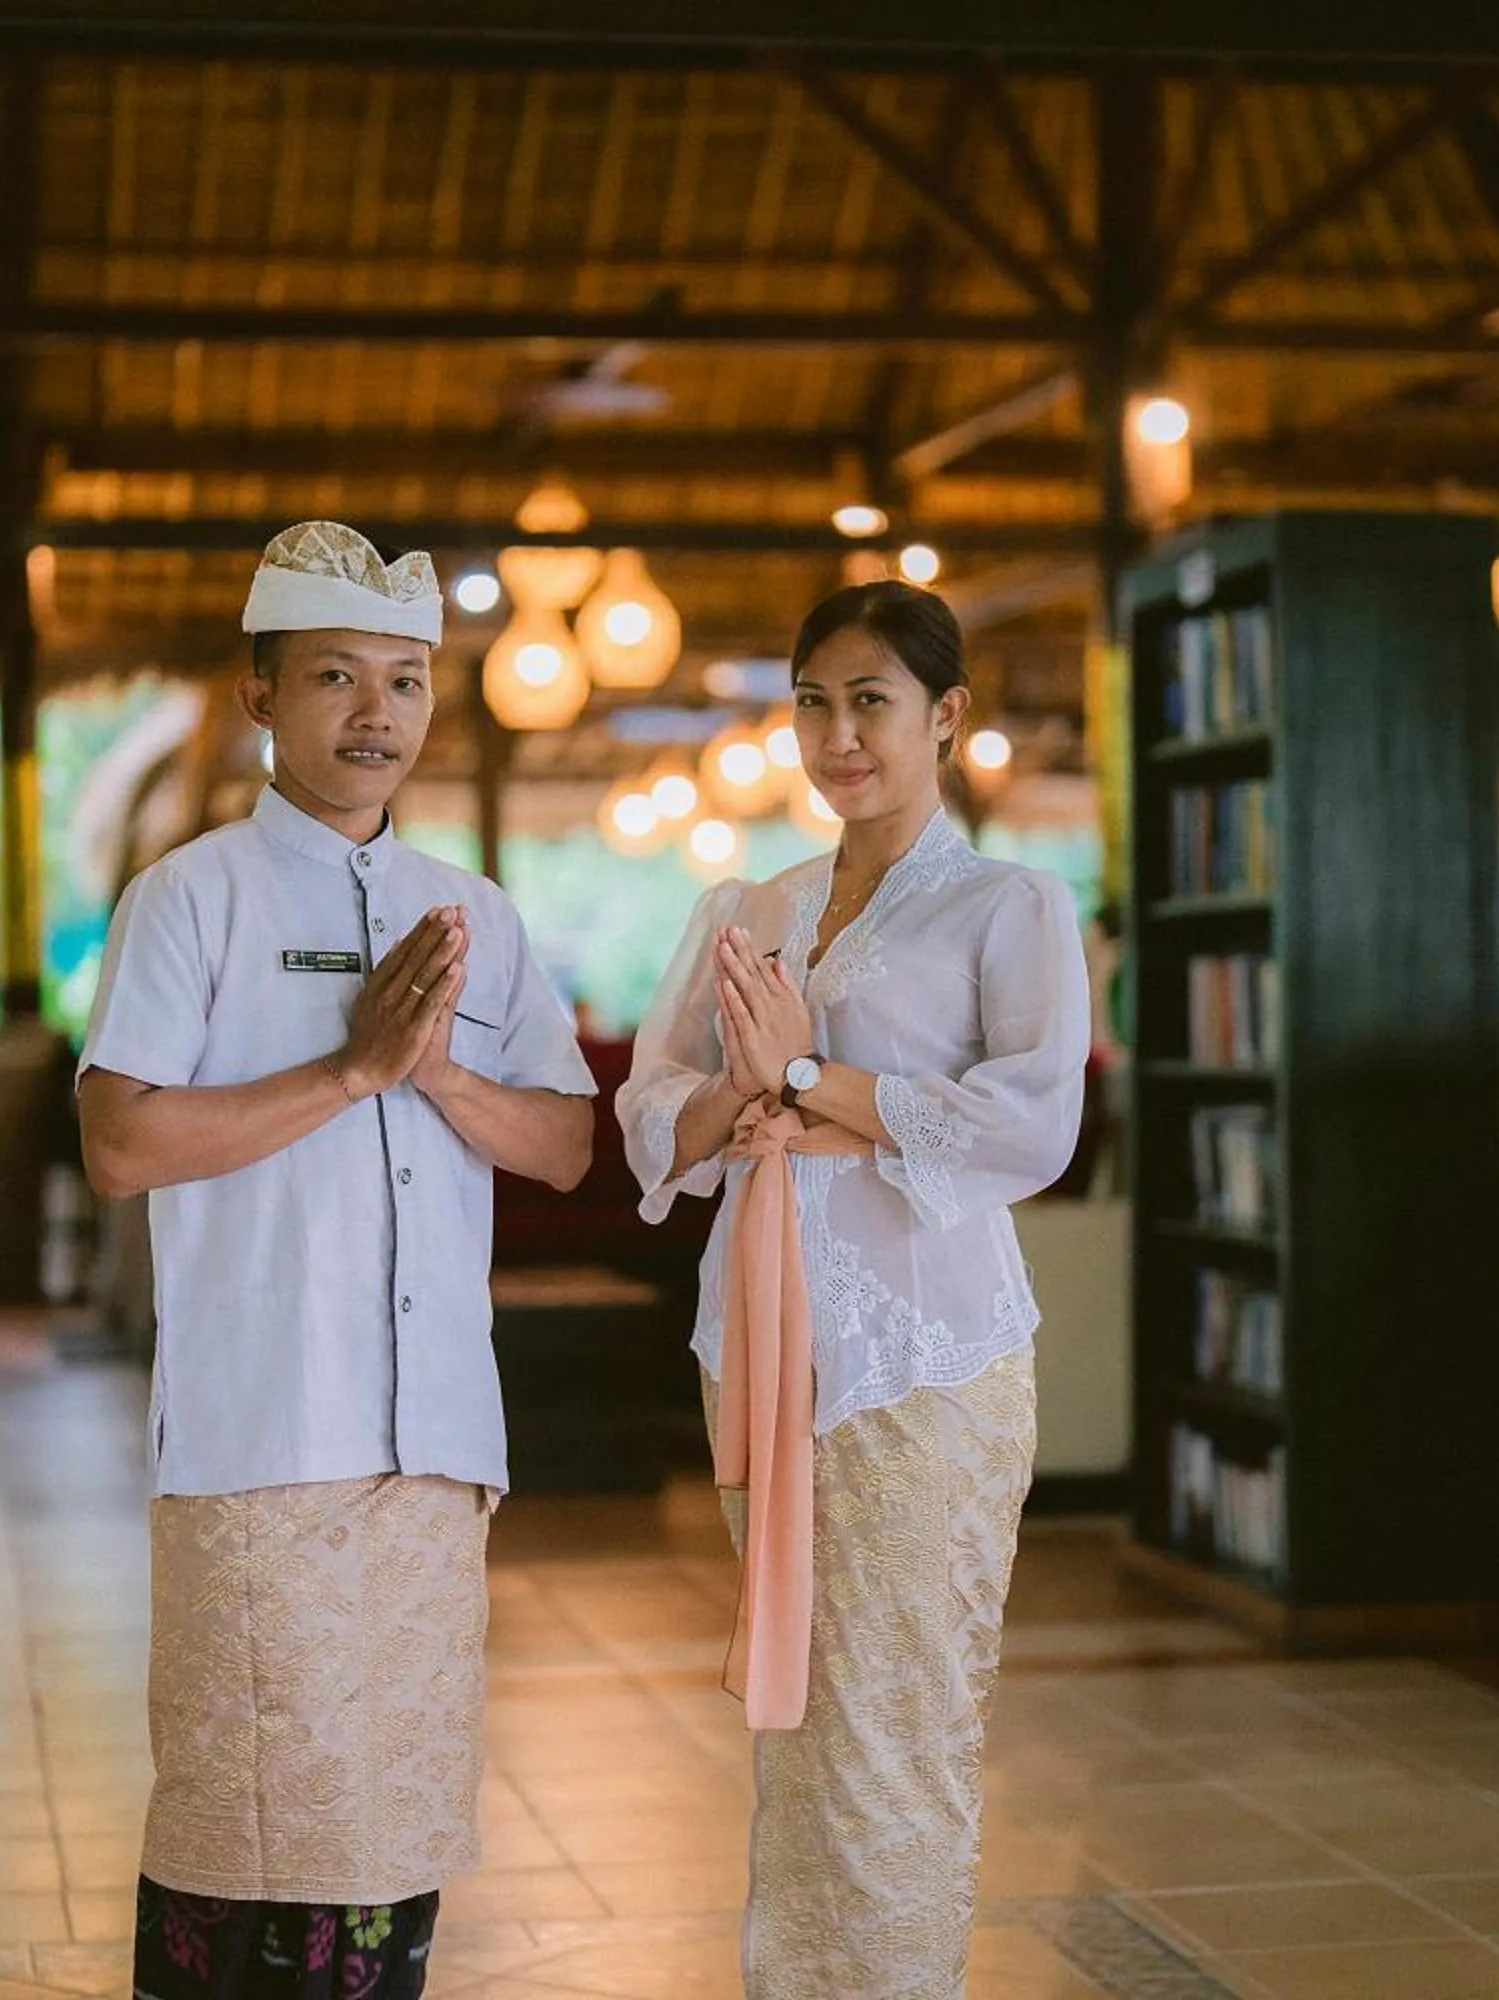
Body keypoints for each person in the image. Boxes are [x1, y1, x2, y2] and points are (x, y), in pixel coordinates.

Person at [75, 520, 597, 2000]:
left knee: (394, 1827)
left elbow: (562, 1146)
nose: (377, 714)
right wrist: (353, 1071)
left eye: (407, 680)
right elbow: (119, 1143)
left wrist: (437, 1079)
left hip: (434, 1445)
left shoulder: (476, 916)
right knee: (246, 1821)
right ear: (259, 696)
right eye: (335, 677)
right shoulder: (194, 898)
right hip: (264, 1439)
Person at [619, 580, 1092, 1998]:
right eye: (814, 702)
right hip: (759, 1344)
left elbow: (1030, 1125)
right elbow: (655, 1111)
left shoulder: (1012, 905)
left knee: (898, 1719)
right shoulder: (750, 907)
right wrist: (741, 1103)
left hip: (927, 1356)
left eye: (870, 701)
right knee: (807, 1723)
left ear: (945, 717)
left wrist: (812, 1078)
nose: (837, 734)